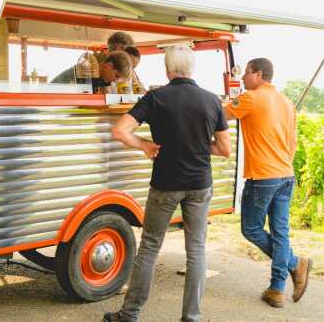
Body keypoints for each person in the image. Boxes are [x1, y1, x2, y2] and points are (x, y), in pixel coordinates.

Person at [103, 45, 232, 322]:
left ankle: (130, 314)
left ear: (167, 69)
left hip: (165, 183)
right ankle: (192, 317)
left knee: (149, 247)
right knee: (196, 250)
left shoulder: (155, 97)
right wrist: (198, 145)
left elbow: (120, 131)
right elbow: (224, 149)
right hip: (200, 184)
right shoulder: (212, 101)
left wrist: (144, 145)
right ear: (192, 69)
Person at [223, 58, 312, 308]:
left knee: (251, 229)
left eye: (246, 74)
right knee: (280, 233)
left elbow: (220, 114)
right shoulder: (286, 102)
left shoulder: (251, 97)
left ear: (258, 74)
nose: (242, 79)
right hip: (286, 174)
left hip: (263, 176)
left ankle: (295, 263)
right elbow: (293, 143)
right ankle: (276, 290)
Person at [51, 50, 132, 94]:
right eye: (116, 76)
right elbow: (54, 88)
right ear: (109, 66)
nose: (115, 81)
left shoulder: (101, 82)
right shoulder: (84, 73)